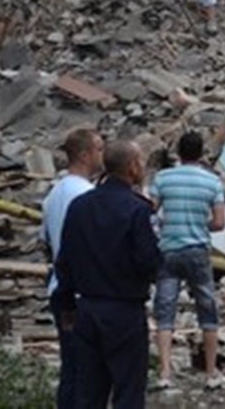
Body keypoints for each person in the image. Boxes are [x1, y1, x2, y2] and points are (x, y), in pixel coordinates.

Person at [54, 140, 161, 409]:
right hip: (124, 309)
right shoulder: (137, 210)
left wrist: (67, 303)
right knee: (128, 390)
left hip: (87, 308)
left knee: (89, 390)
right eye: (140, 162)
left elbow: (64, 260)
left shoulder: (79, 206)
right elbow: (148, 262)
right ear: (131, 167)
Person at [149, 132, 225, 391]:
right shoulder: (212, 182)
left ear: (178, 153)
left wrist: (167, 223)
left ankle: (165, 372)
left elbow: (150, 212)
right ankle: (212, 371)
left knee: (165, 312)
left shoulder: (162, 178)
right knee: (207, 309)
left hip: (168, 251)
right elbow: (219, 222)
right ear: (202, 153)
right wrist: (198, 223)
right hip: (198, 251)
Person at [40, 128, 105, 409]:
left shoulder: (54, 194)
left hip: (60, 290)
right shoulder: (86, 196)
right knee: (90, 375)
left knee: (71, 368)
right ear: (84, 154)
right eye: (99, 148)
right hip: (81, 294)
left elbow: (46, 242)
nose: (103, 154)